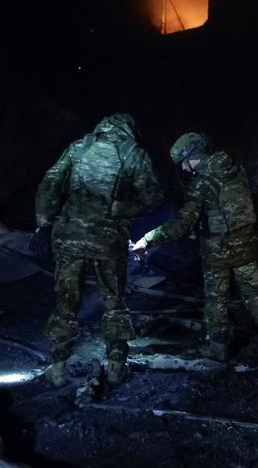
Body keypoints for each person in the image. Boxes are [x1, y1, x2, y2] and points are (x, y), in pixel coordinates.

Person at [132, 132, 258, 361]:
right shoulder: (236, 170)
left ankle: (218, 350)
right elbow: (252, 205)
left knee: (216, 301)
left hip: (218, 251)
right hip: (248, 245)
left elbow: (182, 223)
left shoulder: (202, 183)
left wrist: (147, 239)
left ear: (194, 155)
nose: (184, 169)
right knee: (255, 295)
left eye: (185, 163)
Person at [35, 113, 163, 387]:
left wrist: (43, 225)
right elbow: (153, 195)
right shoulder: (134, 154)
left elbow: (50, 183)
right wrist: (124, 209)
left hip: (69, 236)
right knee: (114, 302)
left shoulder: (78, 147)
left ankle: (57, 367)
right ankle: (116, 365)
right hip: (109, 240)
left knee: (66, 302)